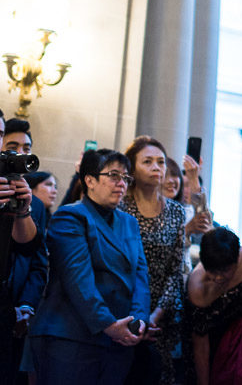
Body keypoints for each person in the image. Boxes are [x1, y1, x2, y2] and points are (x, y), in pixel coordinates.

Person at [27, 149, 150, 385]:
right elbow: (78, 279)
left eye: (125, 178)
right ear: (90, 180)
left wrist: (139, 320)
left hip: (119, 340)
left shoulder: (129, 222)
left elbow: (140, 276)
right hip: (71, 337)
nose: (122, 184)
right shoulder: (70, 216)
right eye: (113, 176)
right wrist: (107, 324)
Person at [121, 136, 186, 385]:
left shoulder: (176, 211)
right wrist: (138, 315)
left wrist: (154, 315)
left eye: (161, 161)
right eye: (147, 162)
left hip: (162, 312)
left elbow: (175, 269)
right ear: (132, 168)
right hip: (124, 307)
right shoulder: (121, 207)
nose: (156, 167)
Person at [185, 227, 242, 385]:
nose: (218, 278)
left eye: (225, 270)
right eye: (212, 271)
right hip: (213, 347)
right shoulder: (197, 288)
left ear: (236, 260)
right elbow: (201, 347)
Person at [3, 119, 48, 383]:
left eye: (27, 148)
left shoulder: (36, 205)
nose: (21, 154)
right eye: (13, 147)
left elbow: (37, 260)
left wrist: (27, 305)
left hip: (15, 312)